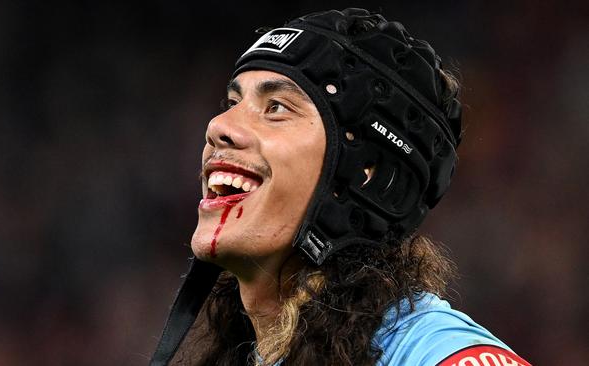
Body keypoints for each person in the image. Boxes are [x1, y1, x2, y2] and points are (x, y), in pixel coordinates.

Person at [150, 8, 531, 366]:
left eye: (276, 107)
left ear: (367, 172)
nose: (219, 126)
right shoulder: (249, 350)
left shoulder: (431, 350)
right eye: (233, 101)